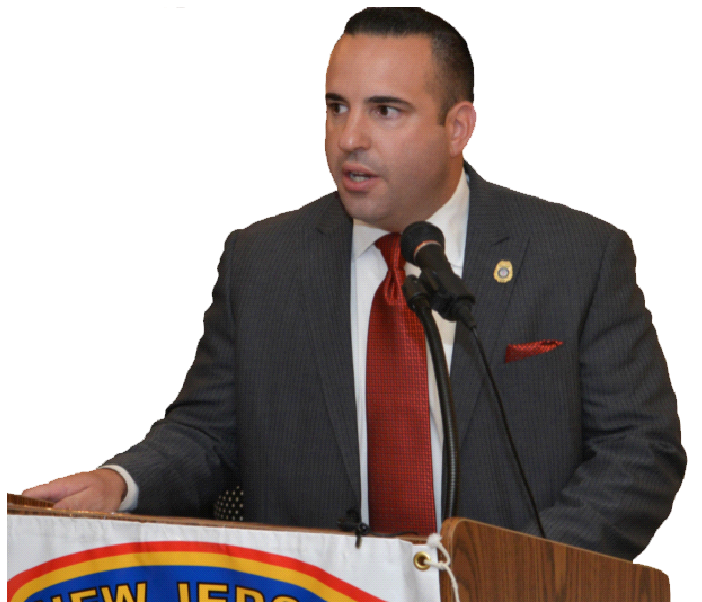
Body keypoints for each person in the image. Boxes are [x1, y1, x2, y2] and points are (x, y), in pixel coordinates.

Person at [23, 7, 686, 560]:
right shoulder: (263, 261)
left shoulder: (576, 257)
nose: (349, 137)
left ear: (457, 127)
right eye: (336, 107)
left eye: (385, 110)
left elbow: (639, 450)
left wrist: (519, 573)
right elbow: (208, 433)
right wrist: (121, 483)